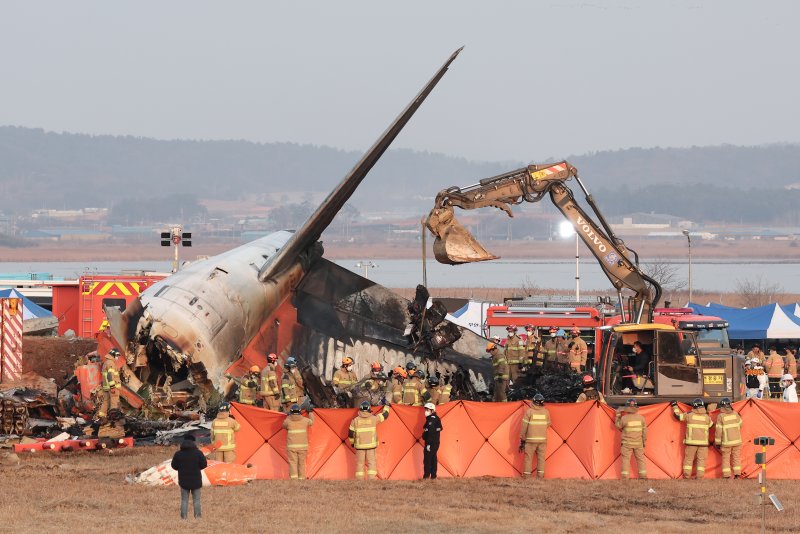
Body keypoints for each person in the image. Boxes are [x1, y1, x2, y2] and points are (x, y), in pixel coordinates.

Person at [672, 398, 714, 479]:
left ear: (694, 406)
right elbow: (712, 426)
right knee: (701, 461)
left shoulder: (689, 415)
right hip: (703, 444)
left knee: (688, 460)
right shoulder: (707, 417)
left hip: (691, 443)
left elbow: (677, 416)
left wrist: (674, 406)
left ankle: (687, 476)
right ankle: (699, 477)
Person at [349, 401, 390, 480]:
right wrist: (387, 406)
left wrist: (352, 443)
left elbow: (350, 433)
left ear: (360, 410)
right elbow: (385, 415)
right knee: (371, 463)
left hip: (359, 446)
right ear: (369, 409)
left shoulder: (355, 420)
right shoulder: (374, 418)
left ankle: (359, 480)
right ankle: (371, 479)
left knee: (360, 463)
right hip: (371, 446)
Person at [170, 433, 207, 520]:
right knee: (197, 500)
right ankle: (198, 517)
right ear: (194, 443)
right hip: (196, 480)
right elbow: (204, 465)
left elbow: (174, 466)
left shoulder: (178, 454)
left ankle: (184, 518)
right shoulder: (198, 453)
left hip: (183, 481)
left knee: (184, 500)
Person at [519, 394, 550, 478]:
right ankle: (540, 476)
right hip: (542, 440)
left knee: (528, 458)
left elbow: (524, 427)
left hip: (530, 440)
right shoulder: (546, 412)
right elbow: (548, 424)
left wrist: (522, 438)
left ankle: (526, 476)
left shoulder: (529, 412)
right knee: (541, 459)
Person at [615, 399, 647, 479]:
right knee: (641, 460)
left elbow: (618, 426)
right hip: (639, 443)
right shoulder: (641, 418)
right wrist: (644, 442)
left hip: (626, 444)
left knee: (626, 460)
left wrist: (618, 415)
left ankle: (625, 477)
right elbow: (644, 432)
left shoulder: (624, 418)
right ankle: (643, 476)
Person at [282, 404, 314, 480]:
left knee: (293, 463)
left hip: (291, 447)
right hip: (303, 447)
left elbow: (283, 426)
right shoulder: (305, 420)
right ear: (300, 412)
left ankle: (294, 480)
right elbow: (312, 422)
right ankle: (301, 479)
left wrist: (288, 416)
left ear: (291, 412)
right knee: (301, 463)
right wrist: (310, 412)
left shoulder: (288, 421)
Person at [714, 397, 743, 479]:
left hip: (726, 443)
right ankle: (737, 474)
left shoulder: (721, 416)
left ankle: (727, 475)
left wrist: (718, 443)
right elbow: (741, 424)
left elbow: (718, 431)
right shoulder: (735, 414)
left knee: (726, 459)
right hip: (737, 441)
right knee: (736, 458)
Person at [98, 348, 122, 419]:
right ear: (114, 355)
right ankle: (113, 418)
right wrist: (112, 387)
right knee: (114, 402)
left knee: (106, 401)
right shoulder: (110, 363)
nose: (117, 358)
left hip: (106, 387)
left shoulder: (107, 362)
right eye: (117, 356)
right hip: (112, 387)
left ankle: (102, 416)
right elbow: (109, 375)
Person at [422, 402, 443, 480]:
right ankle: (433, 476)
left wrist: (428, 444)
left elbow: (430, 433)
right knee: (433, 459)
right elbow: (439, 428)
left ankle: (426, 477)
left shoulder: (432, 420)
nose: (426, 411)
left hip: (431, 443)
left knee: (427, 460)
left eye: (427, 410)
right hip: (435, 443)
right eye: (426, 409)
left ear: (432, 410)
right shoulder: (435, 418)